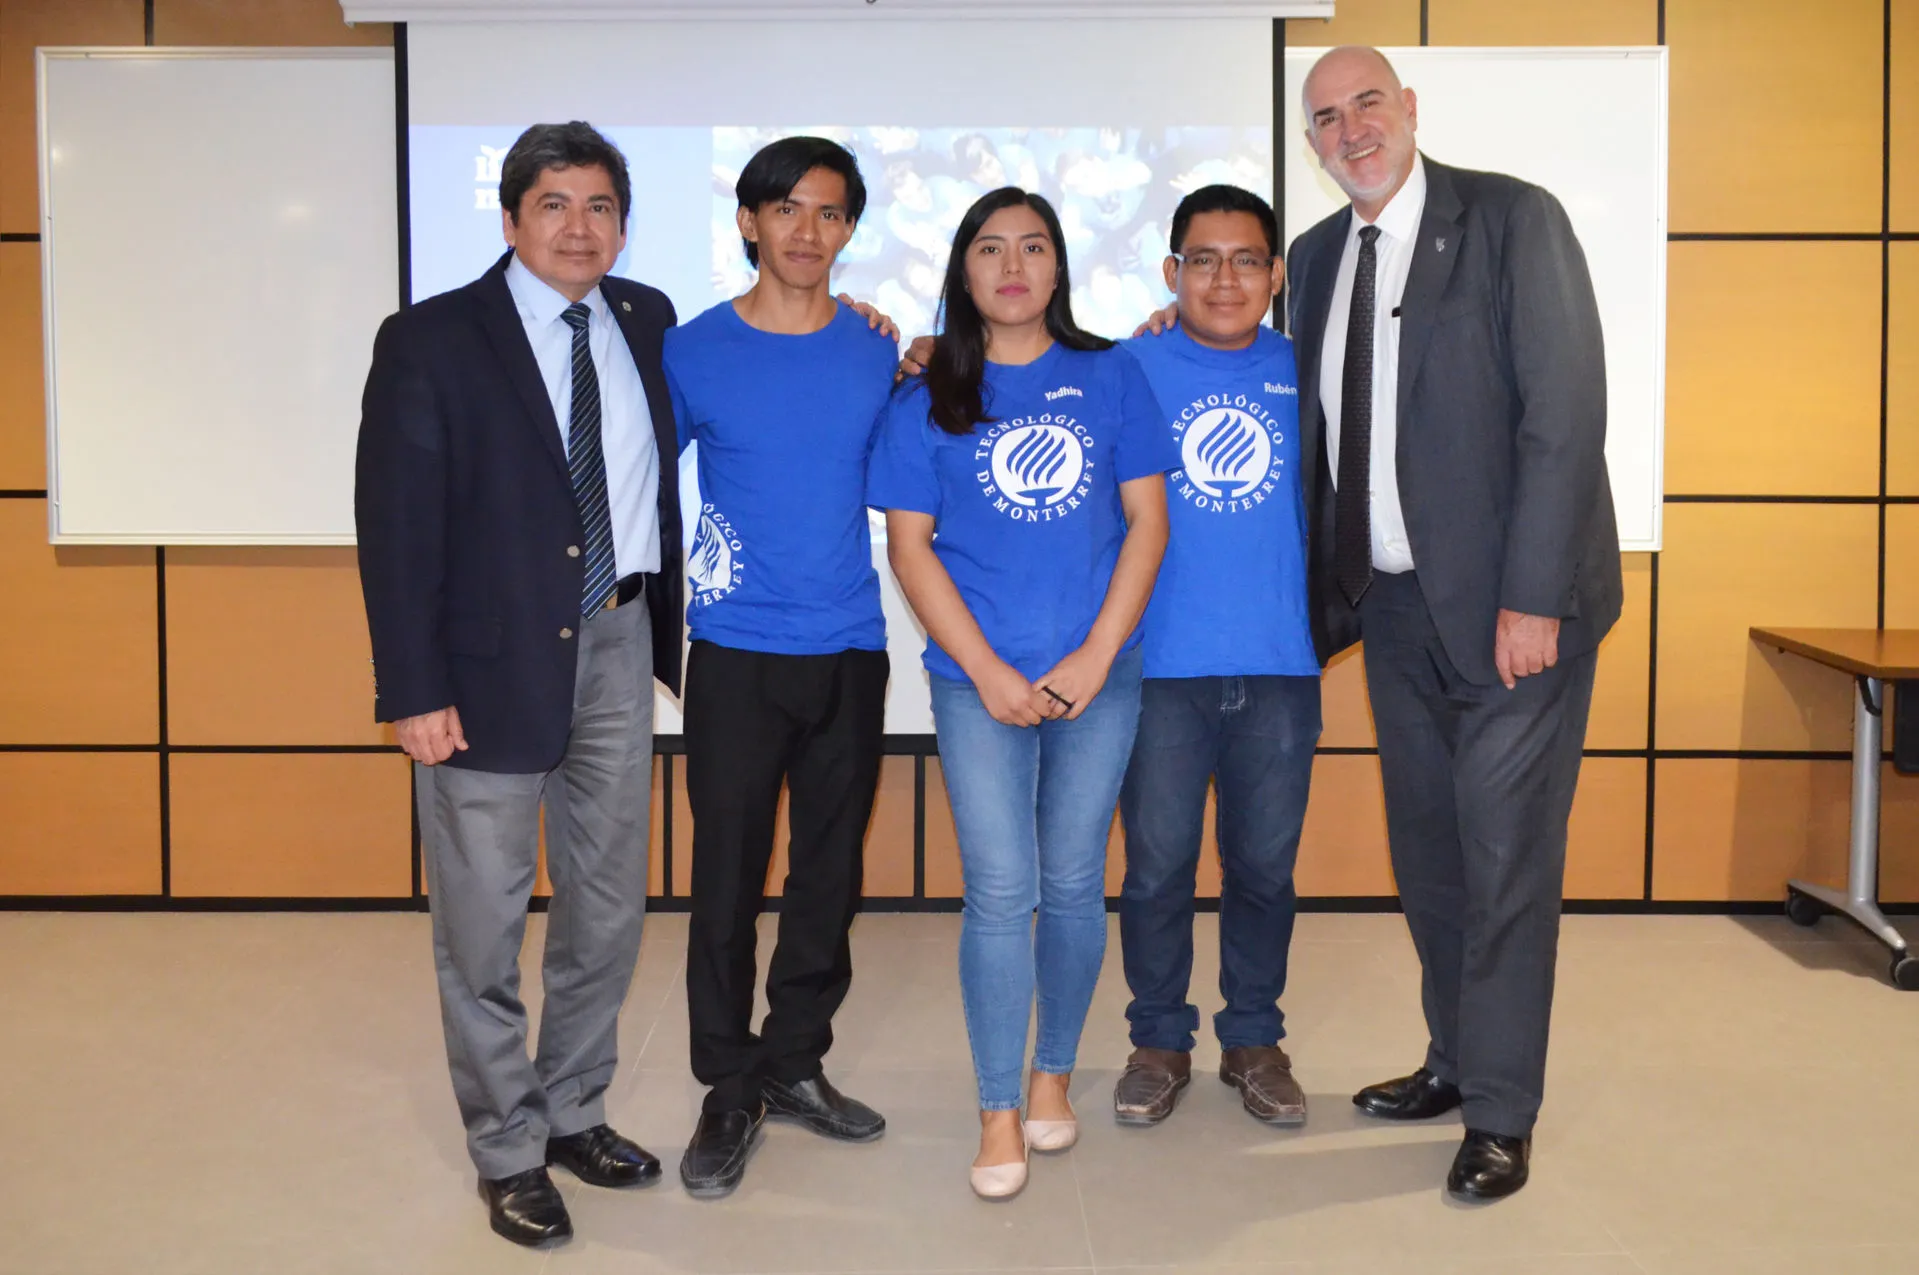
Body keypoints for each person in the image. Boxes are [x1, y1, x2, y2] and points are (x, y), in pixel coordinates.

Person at [1288, 47, 1620, 1200]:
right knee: (1429, 857)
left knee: (1503, 859)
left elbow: (1564, 415)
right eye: (1324, 118)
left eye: (1365, 103)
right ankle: (1452, 1056)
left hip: (1511, 617)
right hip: (1391, 614)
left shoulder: (1510, 221)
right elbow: (1318, 438)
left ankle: (1498, 1111)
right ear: (1312, 144)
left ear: (1409, 110)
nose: (1349, 129)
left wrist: (1531, 597)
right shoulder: (1315, 256)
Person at [356, 121, 682, 1247]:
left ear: (622, 223)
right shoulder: (433, 338)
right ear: (509, 218)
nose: (579, 226)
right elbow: (395, 526)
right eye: (553, 204)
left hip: (618, 642)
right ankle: (505, 1149)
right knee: (484, 931)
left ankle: (572, 1111)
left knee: (605, 912)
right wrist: (412, 686)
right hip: (483, 671)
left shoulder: (646, 319)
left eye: (599, 205)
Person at [868, 187, 1175, 1200]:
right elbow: (909, 549)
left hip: (1098, 675)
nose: (1012, 264)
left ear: (1057, 269)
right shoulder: (924, 394)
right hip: (973, 682)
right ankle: (996, 1107)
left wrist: (1094, 654)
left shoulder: (1110, 373)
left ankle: (1054, 1079)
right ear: (962, 270)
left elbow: (1145, 524)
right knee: (1001, 890)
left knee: (1075, 882)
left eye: (1033, 246)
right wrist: (990, 673)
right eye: (989, 248)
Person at [664, 136, 899, 1199]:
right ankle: (727, 1084)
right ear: (750, 221)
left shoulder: (872, 349)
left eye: (831, 213)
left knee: (826, 879)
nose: (809, 232)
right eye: (788, 210)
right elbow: (619, 484)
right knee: (725, 881)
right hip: (732, 658)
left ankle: (795, 1060)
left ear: (849, 230)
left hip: (848, 649)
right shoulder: (691, 351)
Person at [1109, 185, 1320, 1130]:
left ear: (1275, 276)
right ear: (1171, 274)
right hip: (1155, 669)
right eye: (1203, 259)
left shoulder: (1313, 369)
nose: (1224, 278)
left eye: (1245, 260)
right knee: (1156, 868)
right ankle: (1158, 1040)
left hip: (1280, 667)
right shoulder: (1125, 367)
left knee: (1263, 869)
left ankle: (1253, 1038)